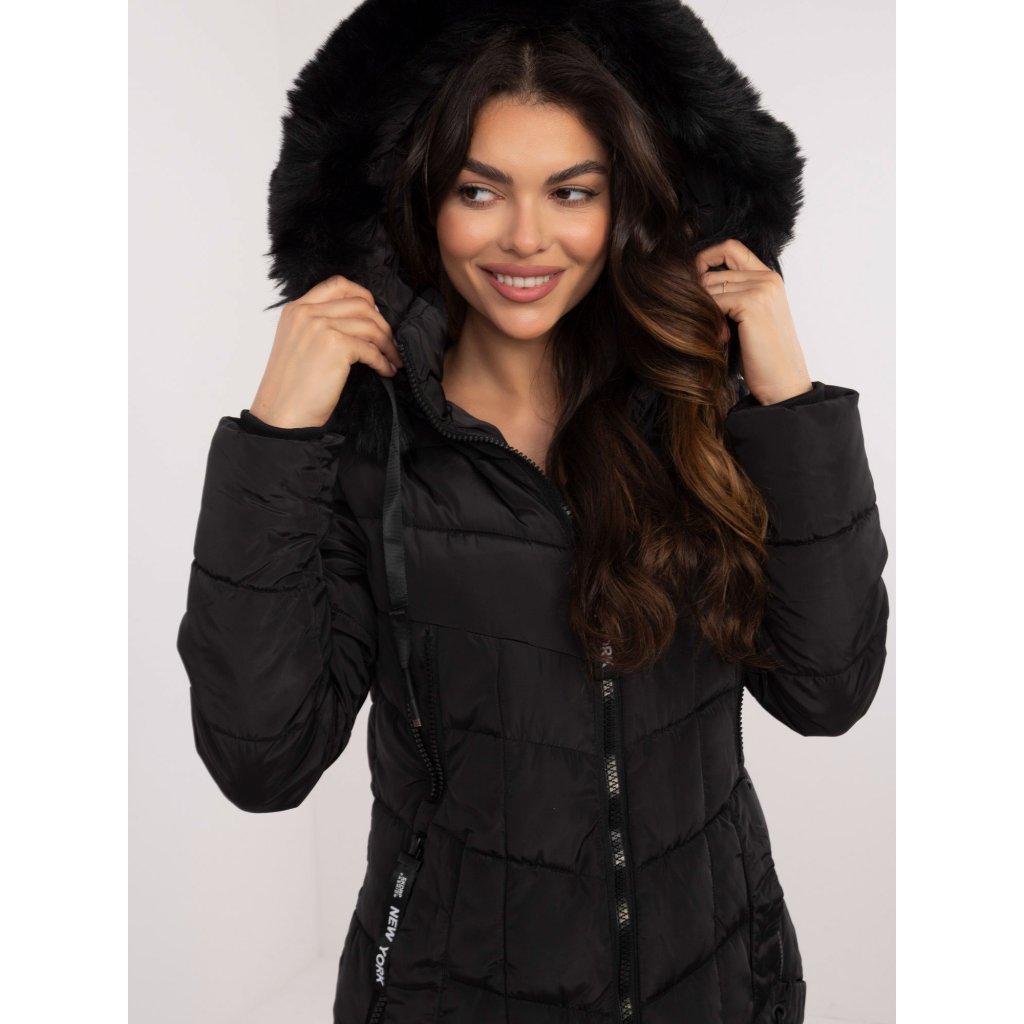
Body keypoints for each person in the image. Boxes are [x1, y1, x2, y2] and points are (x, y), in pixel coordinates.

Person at [176, 3, 889, 1023]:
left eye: (571, 192)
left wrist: (785, 394)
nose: (525, 236)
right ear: (424, 198)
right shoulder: (369, 450)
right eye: (479, 190)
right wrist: (277, 434)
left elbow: (827, 688)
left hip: (718, 981)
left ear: (623, 203)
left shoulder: (696, 411)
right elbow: (261, 759)